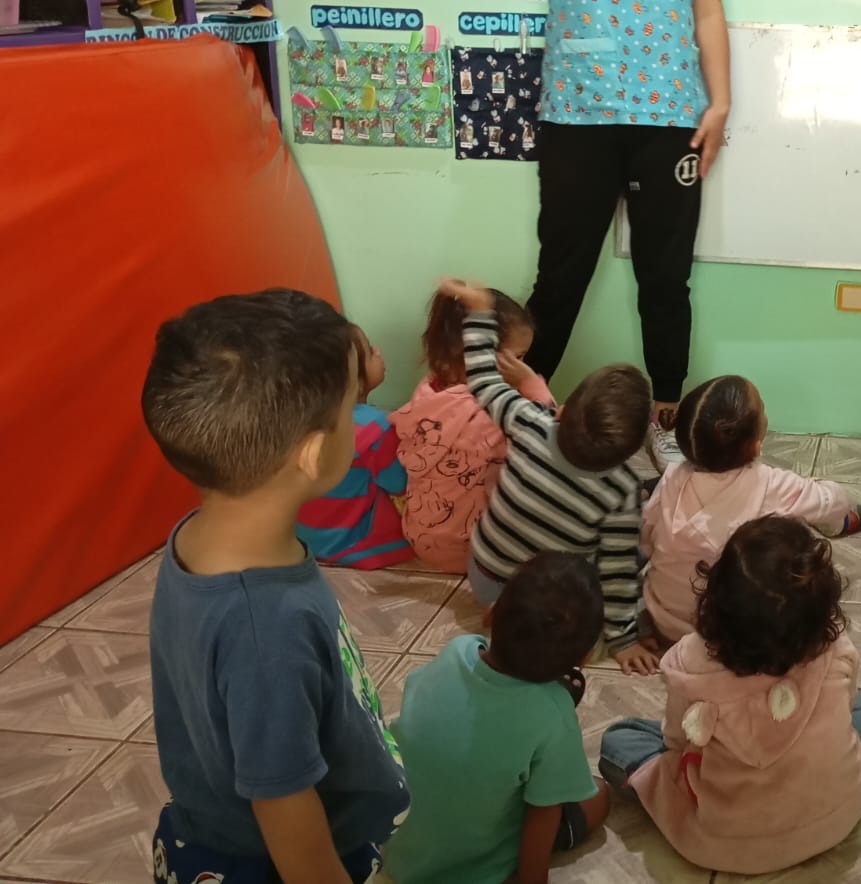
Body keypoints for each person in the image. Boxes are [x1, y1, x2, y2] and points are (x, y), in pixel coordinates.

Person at [141, 290, 407, 882]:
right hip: (272, 861)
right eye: (352, 407)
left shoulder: (200, 535)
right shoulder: (269, 627)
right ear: (314, 453)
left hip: (215, 824)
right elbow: (285, 806)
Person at [524, 0, 735, 464]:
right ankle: (518, 409)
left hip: (670, 118)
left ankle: (668, 419)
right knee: (562, 273)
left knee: (666, 277)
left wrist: (719, 103)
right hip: (578, 117)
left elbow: (707, 9)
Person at [598, 516, 861, 875]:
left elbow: (675, 741)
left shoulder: (689, 661)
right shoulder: (836, 649)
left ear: (716, 598)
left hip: (722, 843)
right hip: (836, 818)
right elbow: (849, 702)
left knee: (619, 741)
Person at [437, 280, 659, 675]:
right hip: (545, 604)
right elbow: (615, 572)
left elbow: (484, 379)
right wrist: (623, 640)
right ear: (631, 452)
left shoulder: (529, 421)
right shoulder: (623, 489)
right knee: (635, 551)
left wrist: (481, 312)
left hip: (485, 578)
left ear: (563, 409)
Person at [383, 554, 611, 884]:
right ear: (585, 658)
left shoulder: (456, 651)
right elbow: (544, 811)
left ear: (490, 614)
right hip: (474, 869)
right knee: (598, 795)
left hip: (398, 846)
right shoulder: (552, 714)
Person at [641, 374, 861, 647]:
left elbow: (647, 538)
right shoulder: (770, 483)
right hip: (726, 635)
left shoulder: (672, 476)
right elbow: (836, 503)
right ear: (756, 445)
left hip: (664, 620)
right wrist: (819, 487)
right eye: (763, 409)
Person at [390, 289, 554, 572]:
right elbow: (549, 441)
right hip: (475, 553)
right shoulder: (488, 414)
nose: (522, 366)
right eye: (518, 357)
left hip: (421, 540)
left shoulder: (429, 391)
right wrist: (534, 387)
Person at [294, 324, 414, 569]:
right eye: (370, 352)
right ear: (353, 377)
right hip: (356, 547)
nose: (378, 351)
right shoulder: (378, 427)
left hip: (303, 542)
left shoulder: (296, 421)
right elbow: (401, 484)